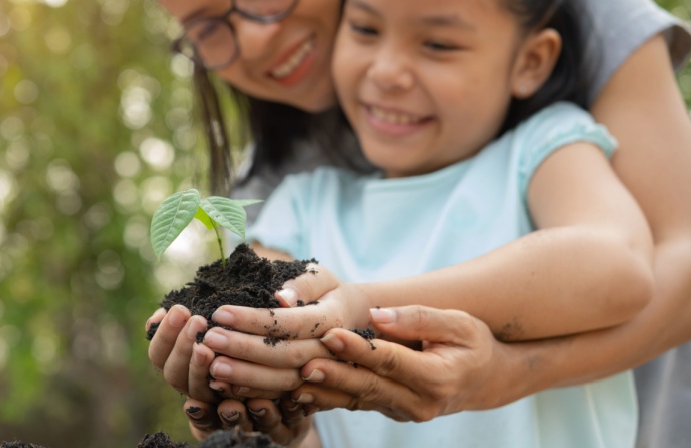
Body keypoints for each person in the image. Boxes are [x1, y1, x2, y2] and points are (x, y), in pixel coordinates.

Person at [144, 0, 691, 445]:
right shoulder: (294, 206)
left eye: (437, 43)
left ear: (531, 61)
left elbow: (618, 265)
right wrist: (256, 397)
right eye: (363, 28)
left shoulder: (548, 150)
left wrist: (366, 307)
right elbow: (288, 362)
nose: (386, 72)